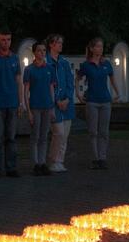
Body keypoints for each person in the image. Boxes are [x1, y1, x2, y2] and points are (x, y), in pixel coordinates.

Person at [0, 28, 25, 177]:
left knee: (11, 138)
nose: (6, 42)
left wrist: (20, 103)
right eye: (3, 39)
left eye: (8, 39)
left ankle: (11, 168)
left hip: (13, 104)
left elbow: (19, 81)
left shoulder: (15, 58)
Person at [76, 37, 119, 169]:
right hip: (92, 101)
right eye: (98, 46)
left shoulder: (106, 64)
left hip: (105, 100)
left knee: (104, 132)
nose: (100, 49)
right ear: (92, 48)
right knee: (93, 131)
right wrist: (78, 94)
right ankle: (95, 158)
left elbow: (112, 79)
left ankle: (102, 157)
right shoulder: (86, 65)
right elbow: (77, 79)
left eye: (101, 47)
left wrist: (117, 93)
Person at [23, 41, 56, 175]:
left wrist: (52, 106)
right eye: (39, 51)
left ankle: (42, 162)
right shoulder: (29, 69)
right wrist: (28, 111)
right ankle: (35, 163)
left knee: (44, 136)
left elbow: (51, 88)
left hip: (47, 106)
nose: (42, 53)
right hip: (35, 106)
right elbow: (26, 91)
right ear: (34, 53)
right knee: (35, 136)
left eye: (44, 51)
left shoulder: (49, 68)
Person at [46, 34, 75, 173]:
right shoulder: (46, 62)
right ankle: (53, 160)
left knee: (65, 134)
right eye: (58, 43)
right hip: (54, 104)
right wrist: (56, 100)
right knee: (59, 132)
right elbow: (48, 84)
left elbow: (70, 82)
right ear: (51, 44)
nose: (60, 45)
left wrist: (68, 99)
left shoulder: (64, 63)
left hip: (67, 104)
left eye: (61, 43)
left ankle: (60, 160)